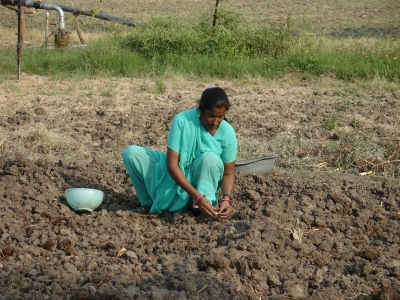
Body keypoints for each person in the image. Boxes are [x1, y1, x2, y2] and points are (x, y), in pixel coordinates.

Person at [121, 87, 237, 218]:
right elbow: (172, 166)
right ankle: (149, 204)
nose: (215, 122)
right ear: (200, 111)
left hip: (201, 189)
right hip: (175, 178)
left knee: (210, 158)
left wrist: (226, 199)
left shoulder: (227, 133)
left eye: (220, 117)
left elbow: (228, 173)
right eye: (211, 116)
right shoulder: (183, 121)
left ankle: (204, 208)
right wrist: (197, 196)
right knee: (131, 154)